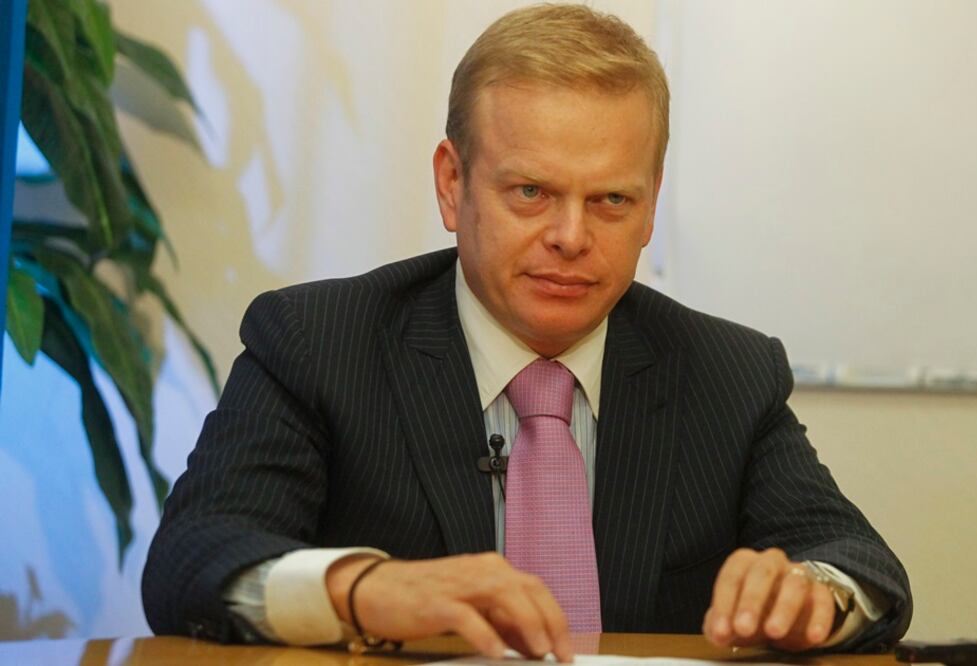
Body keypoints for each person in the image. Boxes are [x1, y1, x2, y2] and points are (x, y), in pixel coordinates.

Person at [143, 4, 912, 661]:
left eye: (611, 199)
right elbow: (189, 561)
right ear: (453, 182)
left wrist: (811, 595)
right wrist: (362, 590)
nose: (571, 237)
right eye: (531, 191)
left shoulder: (727, 372)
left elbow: (860, 565)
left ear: (650, 208)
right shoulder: (317, 342)